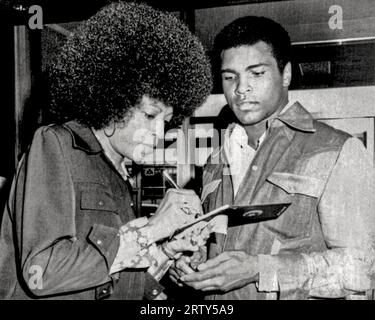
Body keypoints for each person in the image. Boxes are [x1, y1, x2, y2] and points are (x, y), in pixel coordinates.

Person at [0, 2, 213, 300]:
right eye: (150, 115)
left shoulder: (119, 178)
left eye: (166, 121)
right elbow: (42, 272)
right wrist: (151, 230)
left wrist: (166, 250)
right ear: (113, 100)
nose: (159, 134)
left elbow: (113, 284)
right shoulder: (56, 144)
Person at [170, 16, 375, 300]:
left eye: (256, 74)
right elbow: (219, 242)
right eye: (230, 77)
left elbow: (361, 268)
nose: (241, 89)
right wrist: (194, 261)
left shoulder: (338, 150)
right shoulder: (216, 159)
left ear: (286, 74)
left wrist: (260, 269)